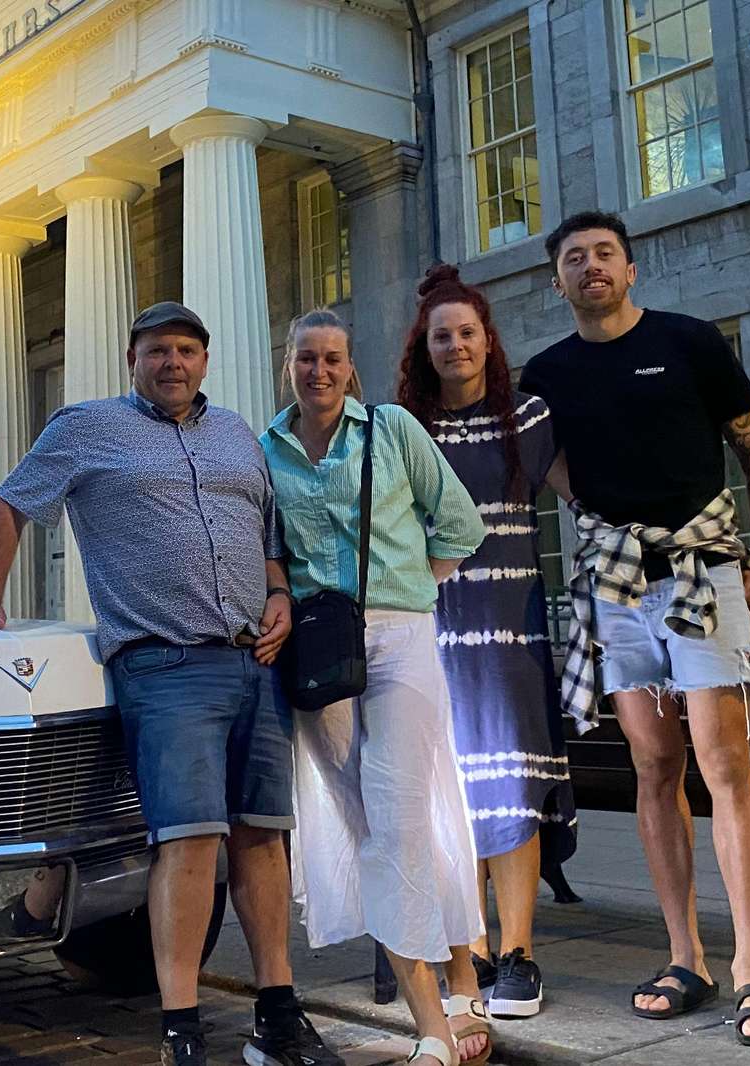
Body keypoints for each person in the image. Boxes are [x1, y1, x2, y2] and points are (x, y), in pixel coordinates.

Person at [0, 301, 341, 1066]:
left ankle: (279, 1014)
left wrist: (281, 594)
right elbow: (8, 505)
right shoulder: (85, 428)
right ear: (134, 358)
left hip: (254, 662)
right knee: (188, 842)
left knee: (262, 838)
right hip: (163, 662)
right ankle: (181, 1029)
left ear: (205, 361)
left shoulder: (235, 436)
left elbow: (268, 537)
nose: (174, 363)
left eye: (188, 349)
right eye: (159, 350)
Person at [517, 211, 750, 1048]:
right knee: (654, 766)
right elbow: (543, 459)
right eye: (573, 259)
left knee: (723, 763)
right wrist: (589, 511)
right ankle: (686, 955)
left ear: (631, 268)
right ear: (557, 281)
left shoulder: (689, 342)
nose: (590, 267)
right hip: (617, 584)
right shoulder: (548, 372)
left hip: (704, 572)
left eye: (604, 254)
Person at [261, 309, 492, 1066]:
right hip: (318, 656)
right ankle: (454, 991)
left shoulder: (390, 430)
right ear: (287, 364)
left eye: (332, 359)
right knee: (368, 826)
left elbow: (459, 524)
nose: (319, 371)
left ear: (350, 367)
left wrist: (409, 589)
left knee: (396, 820)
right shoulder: (266, 451)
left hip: (398, 642)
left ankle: (433, 1022)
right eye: (306, 359)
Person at [396, 265, 577, 1020]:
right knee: (453, 796)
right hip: (434, 628)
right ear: (424, 347)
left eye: (467, 333)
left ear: (487, 340)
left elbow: (580, 492)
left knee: (513, 789)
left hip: (509, 631)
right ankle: (466, 949)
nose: (456, 346)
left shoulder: (529, 420)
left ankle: (519, 953)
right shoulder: (406, 428)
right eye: (443, 336)